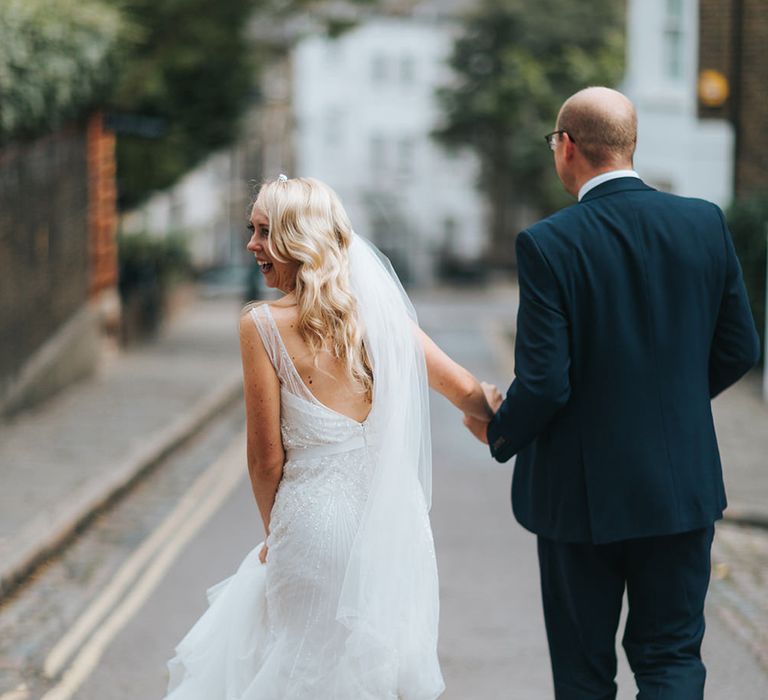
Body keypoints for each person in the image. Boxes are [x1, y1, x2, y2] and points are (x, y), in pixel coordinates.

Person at [465, 86, 760, 699]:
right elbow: (740, 350)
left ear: (567, 146)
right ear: (629, 146)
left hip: (580, 498)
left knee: (583, 675)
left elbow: (545, 381)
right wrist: (670, 406)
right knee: (672, 659)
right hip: (680, 488)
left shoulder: (548, 243)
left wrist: (499, 428)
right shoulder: (703, 222)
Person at [162, 175, 495, 699]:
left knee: (301, 669)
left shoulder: (262, 326)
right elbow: (467, 393)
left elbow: (265, 460)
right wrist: (502, 407)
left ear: (300, 240)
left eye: (264, 233)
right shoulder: (386, 322)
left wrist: (277, 537)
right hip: (395, 529)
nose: (251, 245)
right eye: (252, 230)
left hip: (314, 529)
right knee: (372, 674)